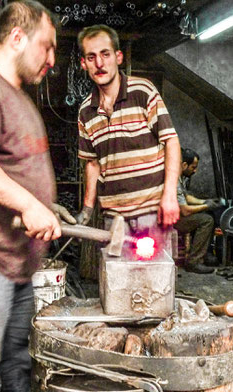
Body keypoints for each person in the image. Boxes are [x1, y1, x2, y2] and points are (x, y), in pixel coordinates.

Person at [0, 0, 74, 392]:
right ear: (18, 37)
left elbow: (10, 168)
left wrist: (46, 205)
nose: (53, 59)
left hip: (16, 265)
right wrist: (28, 204)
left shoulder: (17, 96)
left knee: (15, 371)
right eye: (47, 46)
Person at [76, 24, 180, 252]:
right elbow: (92, 163)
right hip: (114, 218)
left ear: (118, 57)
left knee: (155, 284)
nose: (99, 64)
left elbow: (171, 141)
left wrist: (170, 196)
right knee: (117, 282)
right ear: (84, 64)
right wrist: (87, 208)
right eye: (91, 57)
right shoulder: (85, 110)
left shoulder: (143, 91)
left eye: (105, 54)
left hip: (152, 213)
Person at [174, 148, 222, 274]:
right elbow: (184, 211)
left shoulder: (181, 176)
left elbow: (187, 197)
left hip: (177, 214)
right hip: (170, 220)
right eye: (193, 167)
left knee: (209, 214)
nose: (195, 171)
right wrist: (206, 206)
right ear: (184, 165)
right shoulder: (174, 180)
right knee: (206, 220)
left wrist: (205, 202)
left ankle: (204, 253)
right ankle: (194, 262)